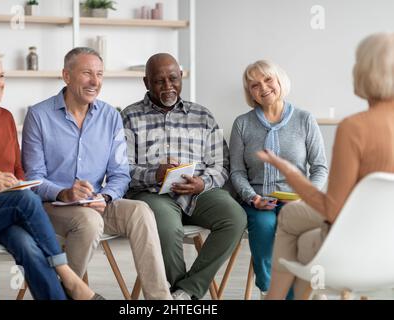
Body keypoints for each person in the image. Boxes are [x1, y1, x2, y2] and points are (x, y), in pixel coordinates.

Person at [0, 47, 97, 300]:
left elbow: (16, 168)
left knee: (25, 243)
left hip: (0, 212)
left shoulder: (4, 118)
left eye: (1, 76)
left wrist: (19, 183)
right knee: (26, 200)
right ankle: (68, 276)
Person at [21, 47, 171, 300]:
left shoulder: (111, 116)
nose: (95, 81)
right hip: (52, 207)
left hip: (97, 203)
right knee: (88, 221)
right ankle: (68, 293)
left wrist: (107, 197)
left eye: (99, 74)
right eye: (87, 73)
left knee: (141, 211)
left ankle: (160, 301)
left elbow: (120, 173)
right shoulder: (39, 115)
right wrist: (65, 193)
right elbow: (33, 179)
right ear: (66, 76)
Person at [256, 32, 394, 299]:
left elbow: (332, 209)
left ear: (365, 71)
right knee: (294, 217)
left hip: (351, 253)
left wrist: (289, 172)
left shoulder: (355, 128)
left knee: (291, 224)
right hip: (389, 250)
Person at [121, 53, 246, 300]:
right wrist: (154, 173)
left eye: (173, 78)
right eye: (159, 81)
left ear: (181, 77)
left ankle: (187, 291)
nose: (168, 86)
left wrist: (203, 183)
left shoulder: (202, 115)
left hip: (200, 191)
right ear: (146, 83)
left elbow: (221, 164)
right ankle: (176, 297)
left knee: (235, 218)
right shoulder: (129, 116)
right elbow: (121, 168)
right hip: (154, 193)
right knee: (167, 229)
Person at [229, 60, 328, 298]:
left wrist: (306, 197)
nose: (263, 87)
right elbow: (237, 172)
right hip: (257, 199)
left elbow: (320, 167)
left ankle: (303, 291)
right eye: (254, 85)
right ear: (249, 92)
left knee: (305, 233)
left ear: (279, 80)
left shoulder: (304, 119)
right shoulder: (242, 124)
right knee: (265, 225)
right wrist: (252, 198)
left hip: (297, 199)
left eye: (268, 79)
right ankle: (269, 289)